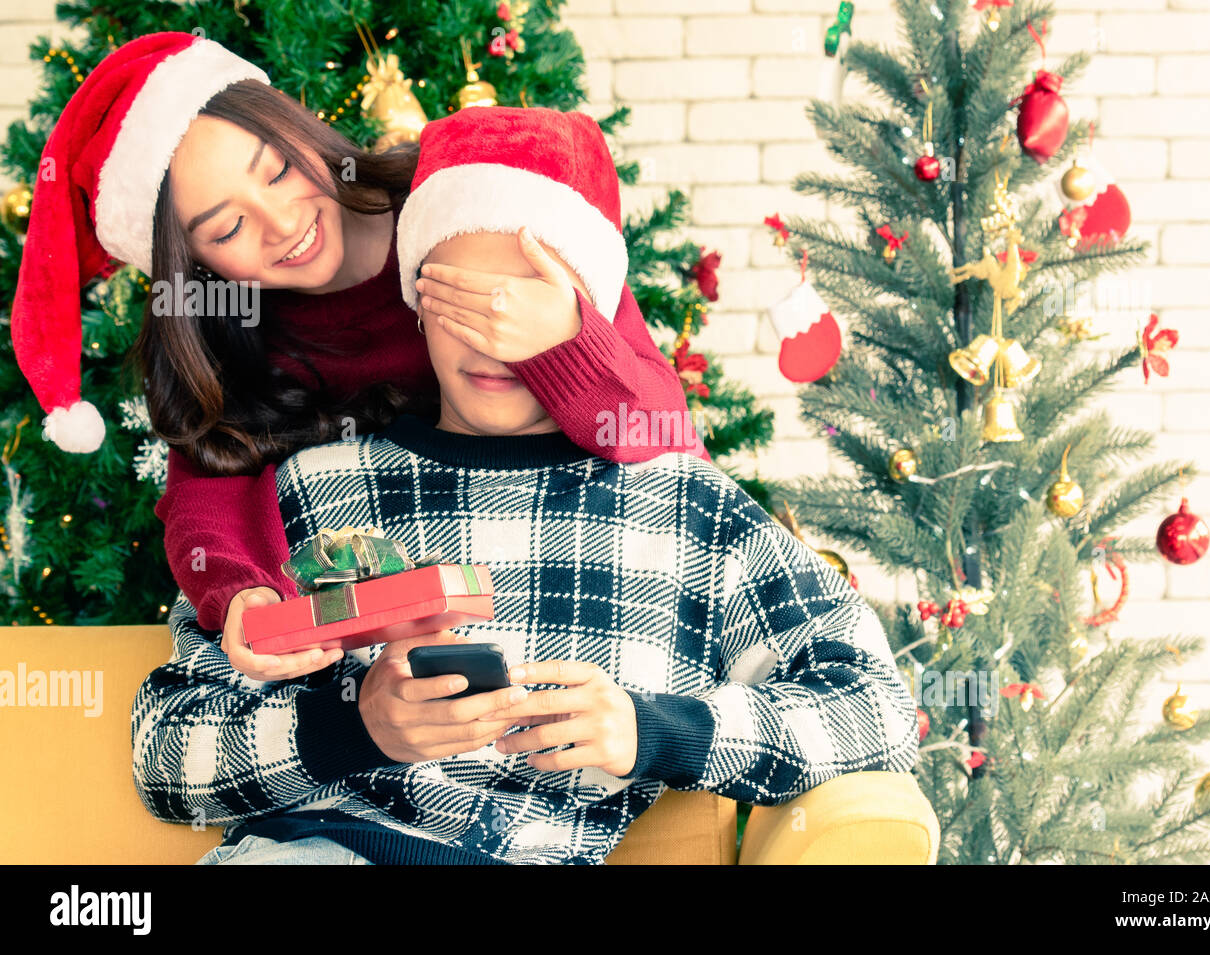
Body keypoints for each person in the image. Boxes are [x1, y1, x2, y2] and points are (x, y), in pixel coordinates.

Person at [130, 107, 920, 866]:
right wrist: (352, 724)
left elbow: (877, 712)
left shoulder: (685, 510)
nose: (494, 338)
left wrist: (649, 731)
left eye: (534, 309)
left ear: (594, 317)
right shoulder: (312, 489)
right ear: (414, 301)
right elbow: (165, 752)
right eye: (459, 300)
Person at [8, 32, 708, 684]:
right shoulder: (235, 337)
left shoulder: (470, 199)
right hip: (397, 661)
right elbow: (205, 492)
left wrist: (569, 338)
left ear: (299, 125)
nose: (283, 223)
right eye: (227, 227)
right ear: (195, 264)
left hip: (572, 585)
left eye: (279, 170)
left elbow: (665, 435)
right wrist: (242, 590)